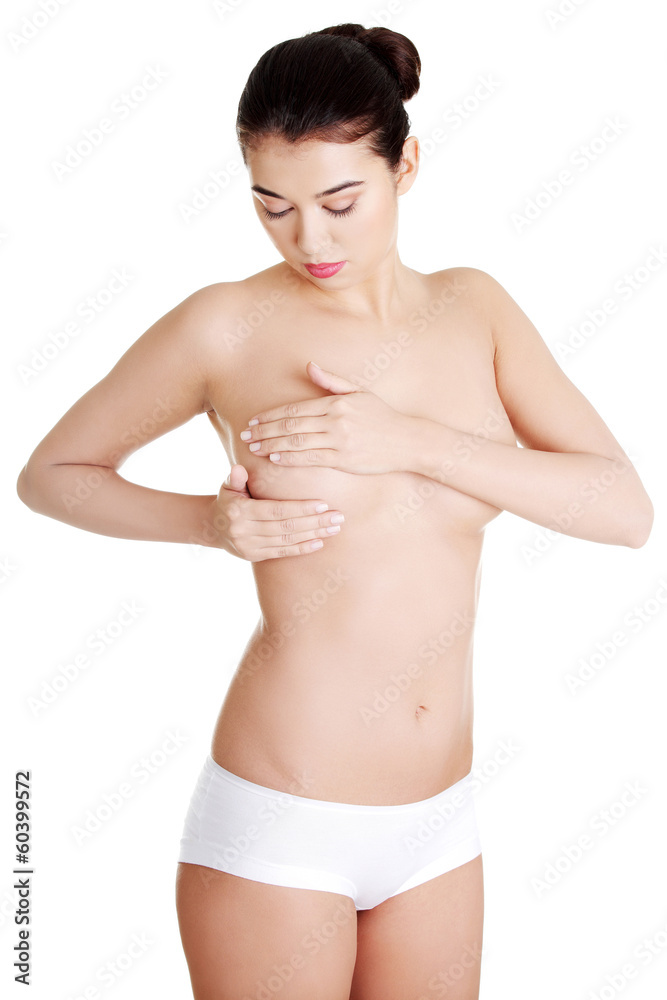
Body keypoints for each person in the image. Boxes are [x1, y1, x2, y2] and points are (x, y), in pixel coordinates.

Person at [16, 21, 653, 1000]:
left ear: (406, 166)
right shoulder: (225, 326)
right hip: (282, 819)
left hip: (439, 824)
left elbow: (622, 510)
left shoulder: (475, 309)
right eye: (271, 205)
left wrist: (412, 440)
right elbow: (52, 473)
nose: (308, 239)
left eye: (339, 201)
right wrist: (207, 525)